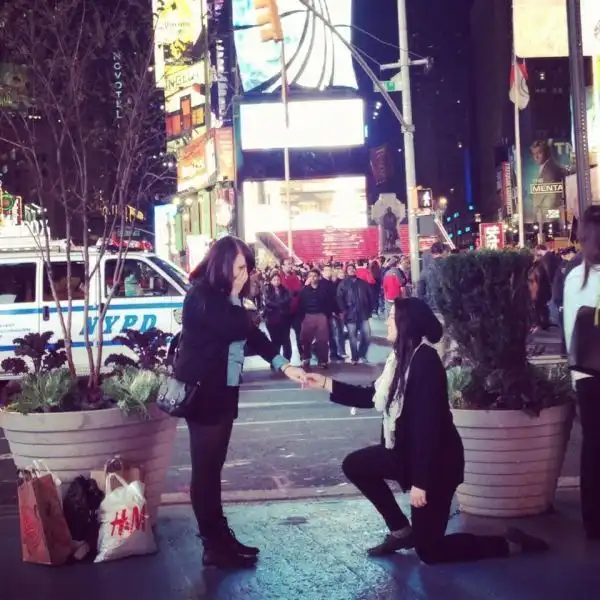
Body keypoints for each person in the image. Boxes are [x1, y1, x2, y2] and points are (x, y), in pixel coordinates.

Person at [303, 297, 549, 563]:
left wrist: (421, 483)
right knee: (355, 465)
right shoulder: (399, 360)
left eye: (392, 317)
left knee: (430, 552)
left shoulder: (425, 362)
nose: (387, 322)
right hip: (404, 454)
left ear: (406, 323)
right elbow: (371, 396)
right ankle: (401, 531)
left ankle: (508, 543)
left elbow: (427, 428)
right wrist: (325, 383)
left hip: (436, 466)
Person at [174, 236, 306, 569]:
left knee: (213, 470)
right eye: (238, 268)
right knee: (205, 472)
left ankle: (221, 538)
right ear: (220, 265)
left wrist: (284, 365)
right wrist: (237, 296)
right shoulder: (202, 296)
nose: (243, 275)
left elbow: (252, 335)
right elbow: (238, 327)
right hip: (203, 395)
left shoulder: (224, 299)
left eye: (247, 269)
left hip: (223, 390)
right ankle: (212, 544)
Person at [563, 206, 600, 542]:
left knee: (592, 447)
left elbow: (570, 333)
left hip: (587, 375)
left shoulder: (575, 277)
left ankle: (594, 521)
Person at [337, 263, 373, 365]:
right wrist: (344, 311)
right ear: (346, 271)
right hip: (350, 315)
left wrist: (369, 310)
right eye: (349, 269)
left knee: (367, 336)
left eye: (353, 268)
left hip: (363, 314)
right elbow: (339, 298)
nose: (351, 270)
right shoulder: (343, 284)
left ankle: (362, 354)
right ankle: (354, 357)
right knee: (352, 337)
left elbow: (370, 297)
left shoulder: (363, 283)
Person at [298, 268, 331, 369]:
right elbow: (300, 304)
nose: (313, 278)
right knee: (305, 339)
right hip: (308, 316)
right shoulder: (304, 290)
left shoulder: (324, 290)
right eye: (311, 276)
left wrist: (326, 316)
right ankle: (306, 359)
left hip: (321, 316)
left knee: (322, 340)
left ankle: (323, 360)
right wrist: (302, 318)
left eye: (315, 276)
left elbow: (329, 303)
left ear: (319, 277)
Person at [262, 271, 292, 357]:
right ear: (271, 281)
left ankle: (287, 359)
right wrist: (280, 304)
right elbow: (268, 302)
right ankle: (276, 359)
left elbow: (288, 299)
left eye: (278, 280)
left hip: (284, 318)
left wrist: (277, 304)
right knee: (275, 341)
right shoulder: (267, 289)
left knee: (286, 340)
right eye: (274, 280)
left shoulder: (284, 289)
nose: (276, 282)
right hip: (272, 319)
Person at [280, 257, 303, 361]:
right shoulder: (279, 277)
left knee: (299, 333)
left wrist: (292, 293)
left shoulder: (295, 277)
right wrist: (291, 293)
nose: (290, 266)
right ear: (282, 266)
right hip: (284, 312)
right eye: (288, 264)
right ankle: (287, 358)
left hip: (296, 311)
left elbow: (298, 290)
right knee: (285, 336)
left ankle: (302, 354)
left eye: (290, 264)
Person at [321, 264, 344, 361]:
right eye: (326, 270)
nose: (328, 272)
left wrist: (337, 311)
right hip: (322, 313)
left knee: (332, 334)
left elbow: (335, 299)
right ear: (322, 272)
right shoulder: (320, 284)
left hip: (330, 313)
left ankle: (333, 353)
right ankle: (322, 354)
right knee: (322, 335)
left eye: (330, 270)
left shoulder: (332, 284)